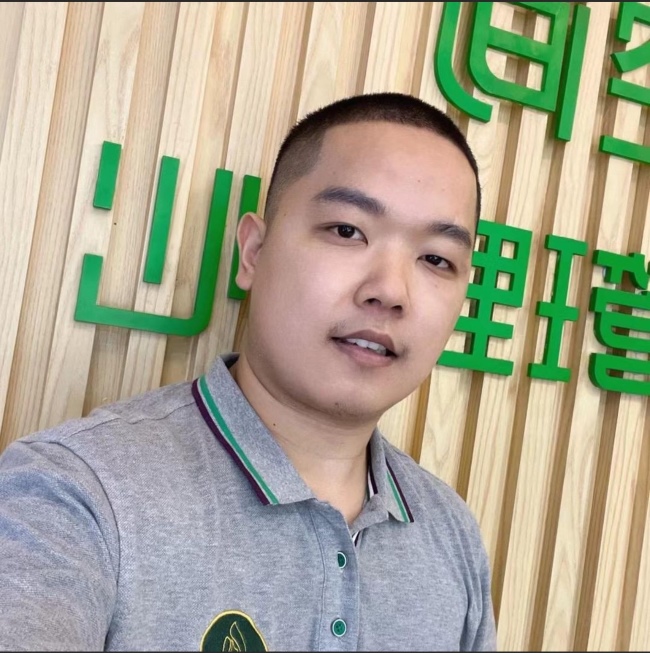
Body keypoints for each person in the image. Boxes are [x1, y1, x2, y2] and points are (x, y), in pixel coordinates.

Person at [0, 92, 496, 652]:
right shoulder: (78, 493)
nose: (389, 290)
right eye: (347, 231)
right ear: (254, 252)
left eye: (436, 259)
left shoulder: (452, 535)